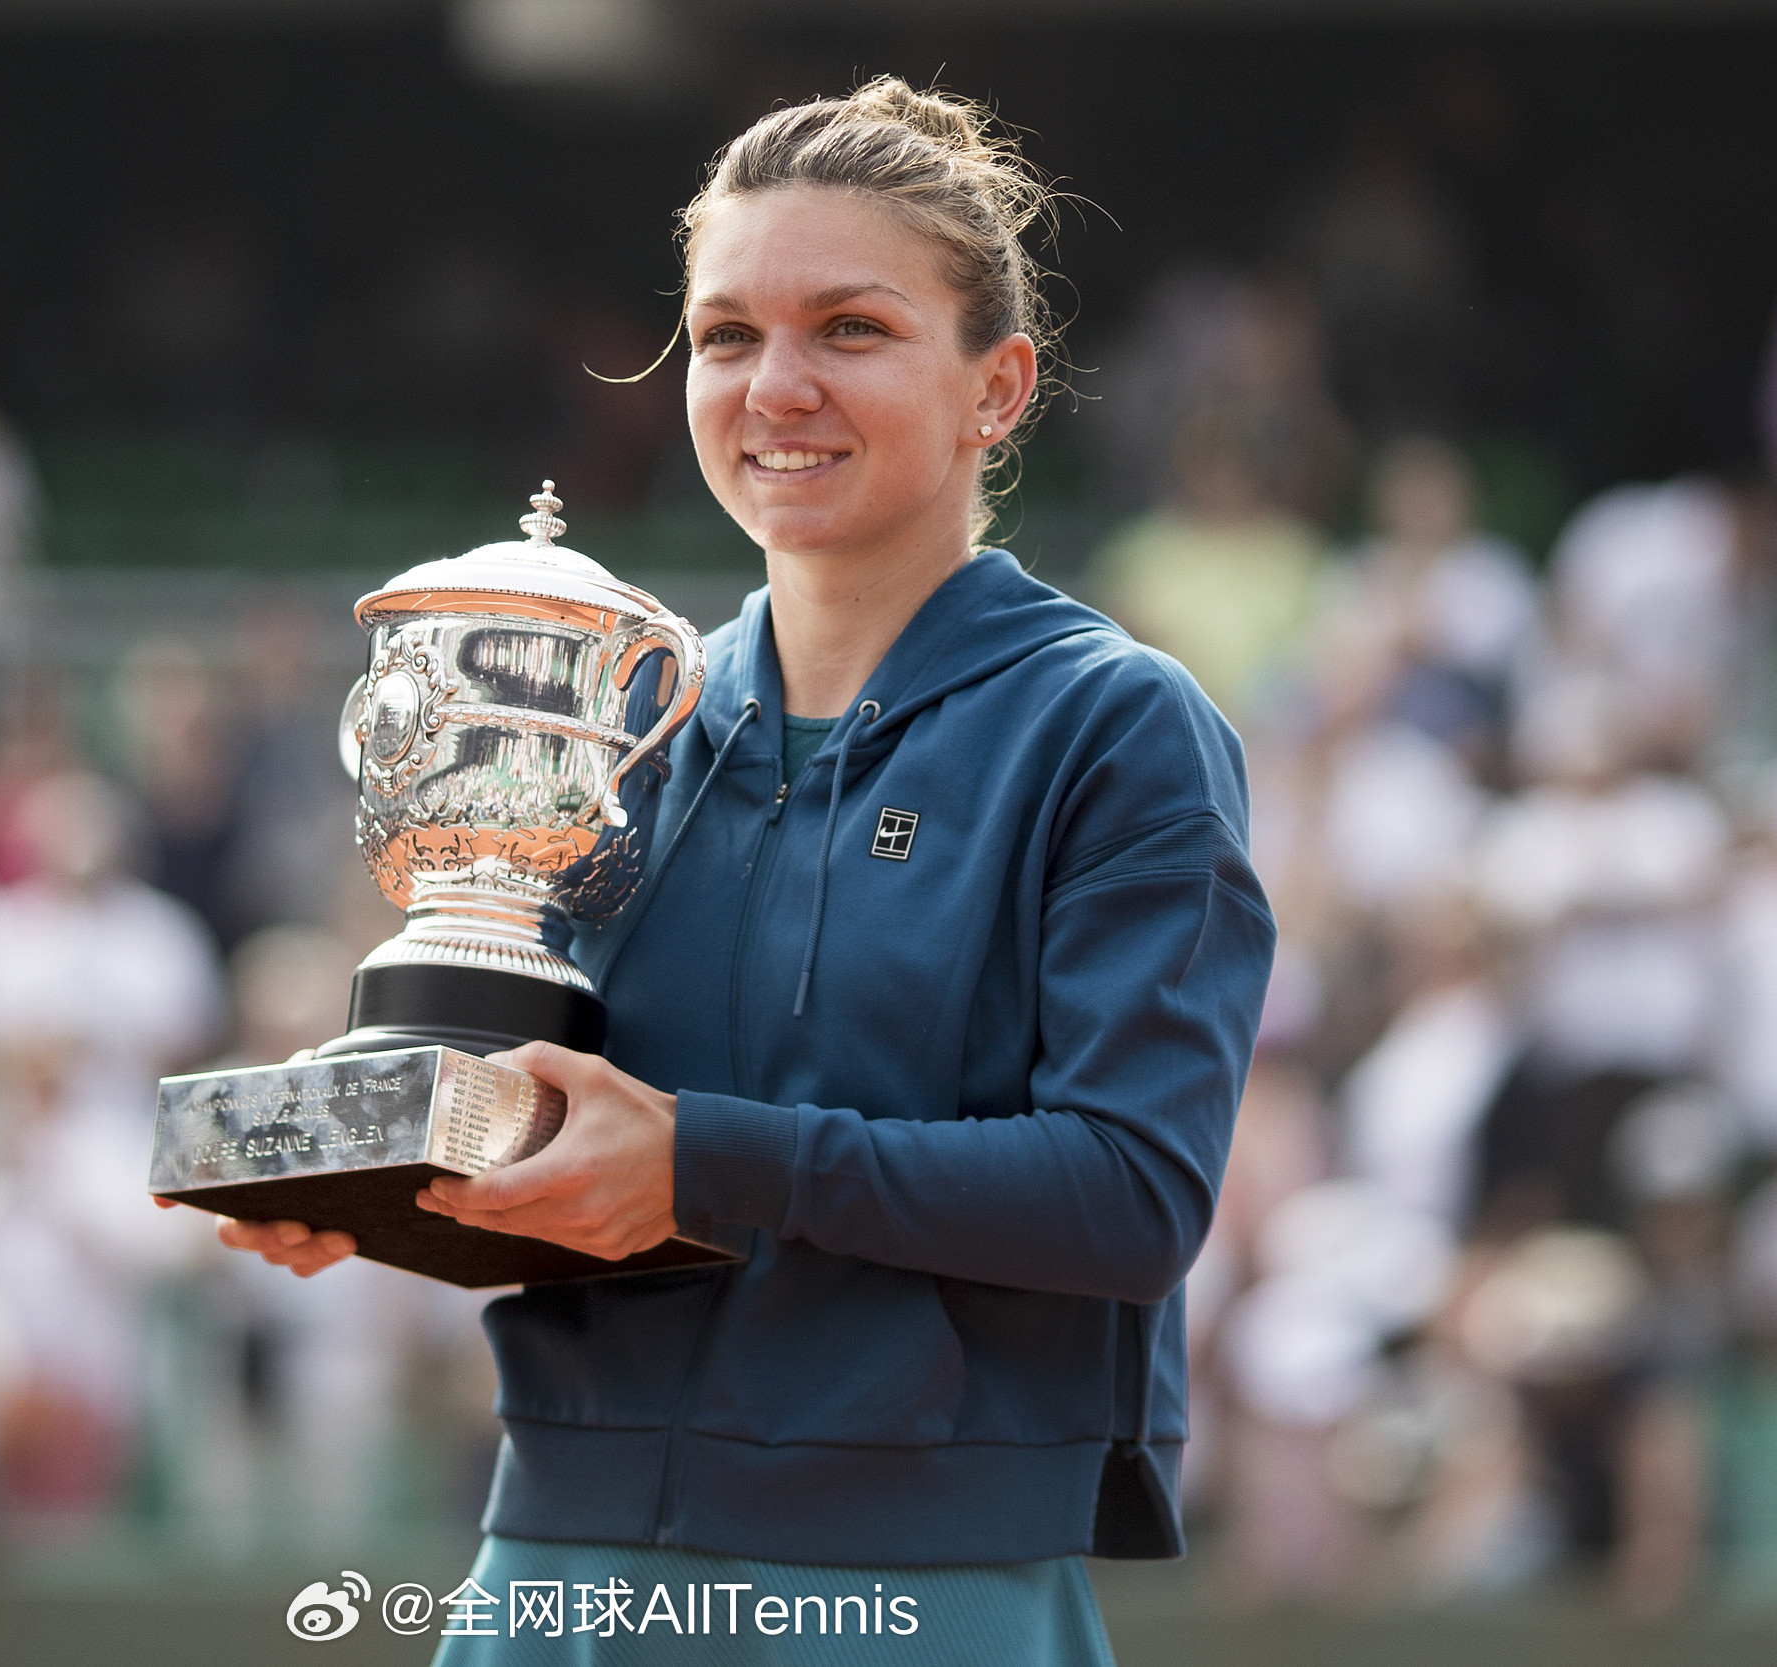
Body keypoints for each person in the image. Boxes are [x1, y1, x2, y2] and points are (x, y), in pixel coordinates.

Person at [221, 79, 1273, 1663]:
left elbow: (1130, 1198)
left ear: (998, 389)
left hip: (916, 1597)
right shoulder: (623, 718)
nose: (776, 386)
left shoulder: (1113, 727)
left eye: (851, 328)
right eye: (726, 336)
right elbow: (586, 1153)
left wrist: (708, 1158)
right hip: (552, 1580)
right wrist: (392, 1164)